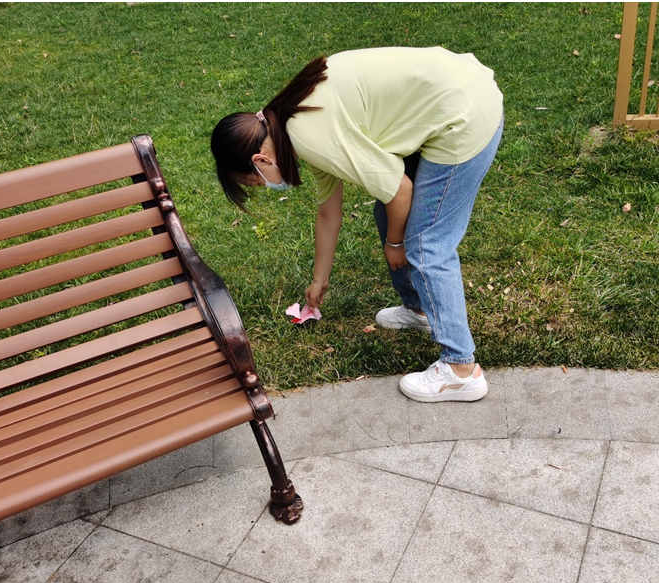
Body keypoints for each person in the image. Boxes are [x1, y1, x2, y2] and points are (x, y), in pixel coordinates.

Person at [211, 46, 503, 402]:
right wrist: (319, 280)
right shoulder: (290, 123)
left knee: (427, 243)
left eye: (257, 182)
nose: (267, 187)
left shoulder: (309, 135)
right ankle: (421, 309)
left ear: (260, 159)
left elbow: (400, 192)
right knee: (390, 212)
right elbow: (328, 212)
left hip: (465, 113)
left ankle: (461, 369)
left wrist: (395, 243)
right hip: (454, 92)